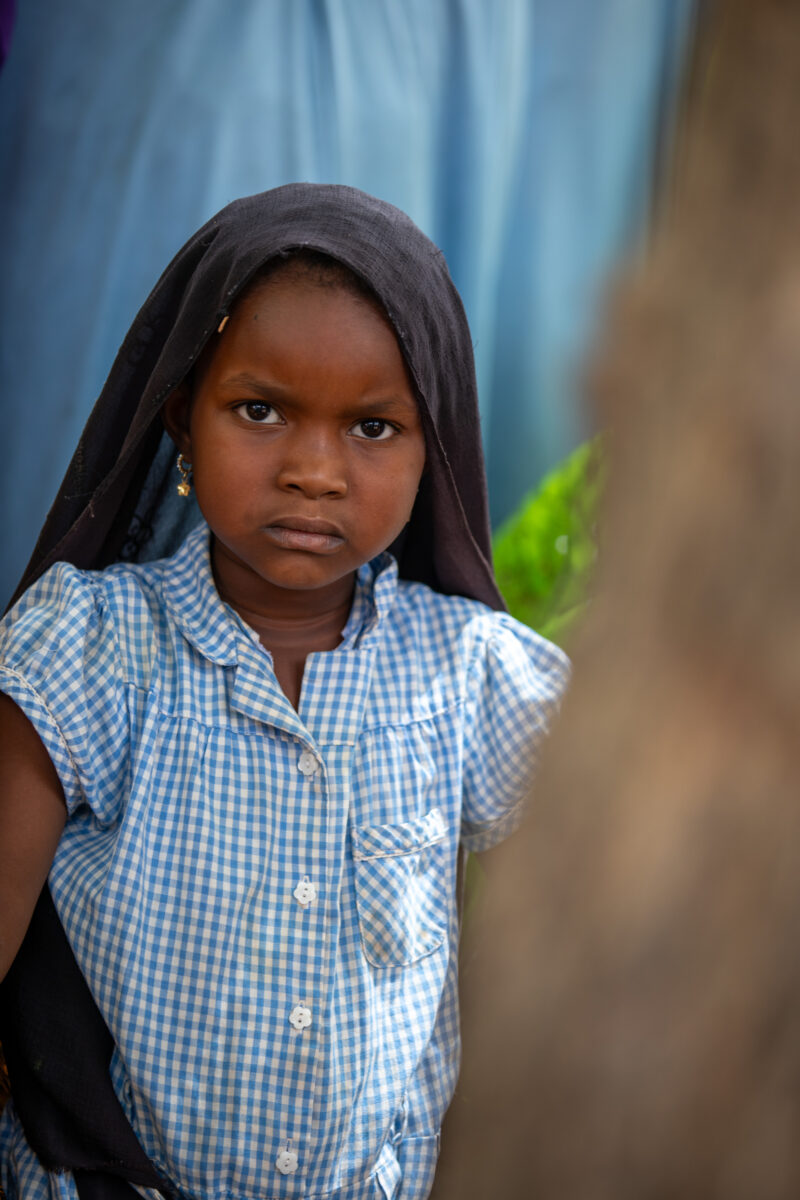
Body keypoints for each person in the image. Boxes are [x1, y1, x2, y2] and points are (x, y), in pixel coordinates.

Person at [0, 184, 569, 1200]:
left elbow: (614, 893)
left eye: (373, 427)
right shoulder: (92, 649)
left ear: (432, 446)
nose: (313, 470)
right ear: (181, 417)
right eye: (259, 411)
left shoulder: (470, 675)